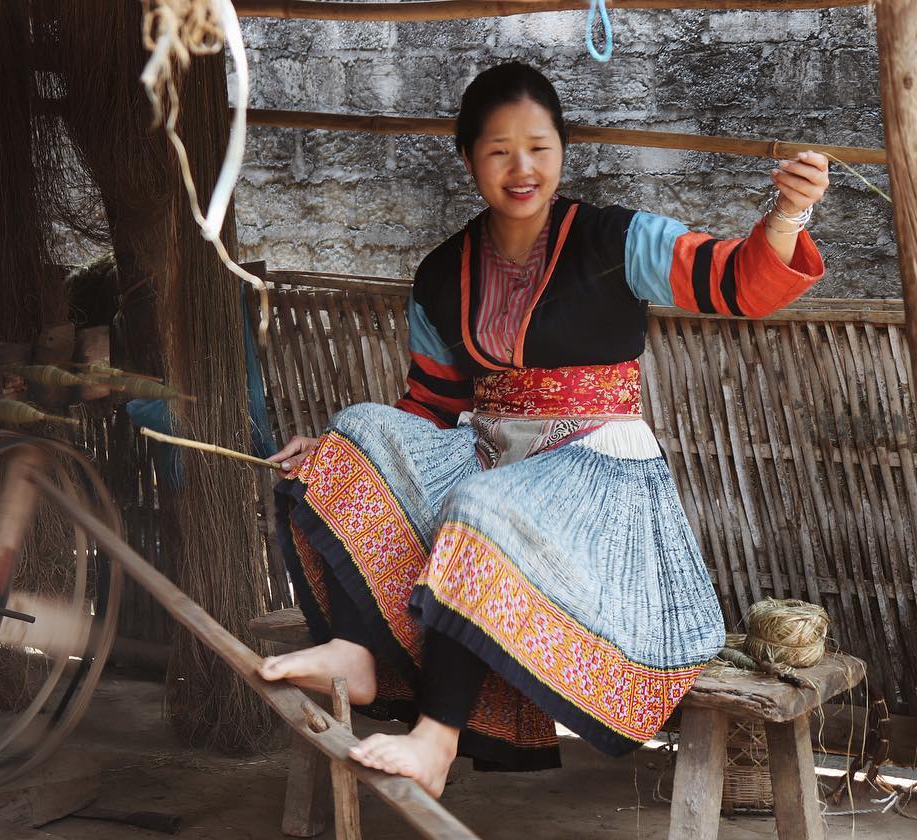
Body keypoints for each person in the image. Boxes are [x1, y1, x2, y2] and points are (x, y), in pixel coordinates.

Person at [259, 62, 829, 798]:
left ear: (563, 151)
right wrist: (338, 459)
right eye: (499, 151)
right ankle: (357, 651)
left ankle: (434, 739)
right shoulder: (442, 273)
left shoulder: (616, 240)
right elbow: (429, 403)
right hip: (490, 453)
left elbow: (737, 282)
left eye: (539, 147)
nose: (521, 168)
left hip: (598, 476)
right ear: (468, 159)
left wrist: (787, 217)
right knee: (356, 430)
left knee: (483, 509)